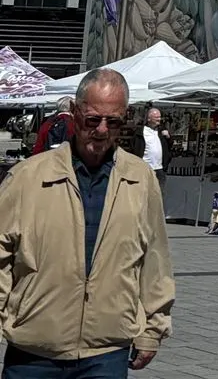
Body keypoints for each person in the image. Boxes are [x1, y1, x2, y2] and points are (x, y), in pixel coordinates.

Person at [0, 66, 174, 376]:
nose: (102, 130)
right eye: (93, 119)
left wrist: (153, 329)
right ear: (77, 114)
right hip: (34, 348)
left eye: (114, 122)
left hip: (106, 350)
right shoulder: (27, 177)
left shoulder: (140, 179)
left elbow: (155, 261)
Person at [137, 112, 169, 176]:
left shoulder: (161, 130)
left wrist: (168, 136)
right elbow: (135, 148)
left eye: (160, 117)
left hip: (160, 168)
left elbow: (169, 145)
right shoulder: (141, 132)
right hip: (145, 168)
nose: (159, 119)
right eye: (156, 117)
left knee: (160, 186)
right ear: (149, 119)